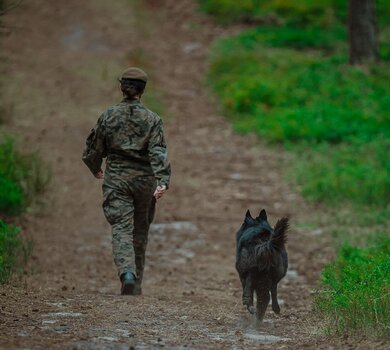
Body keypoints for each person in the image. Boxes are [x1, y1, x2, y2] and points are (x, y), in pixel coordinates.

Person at [82, 67, 171, 295]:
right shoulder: (153, 119)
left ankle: (127, 274)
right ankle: (136, 284)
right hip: (145, 182)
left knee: (121, 228)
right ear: (143, 90)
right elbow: (158, 152)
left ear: (122, 87)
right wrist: (162, 180)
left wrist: (95, 167)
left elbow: (94, 149)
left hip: (117, 180)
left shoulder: (108, 116)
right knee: (140, 230)